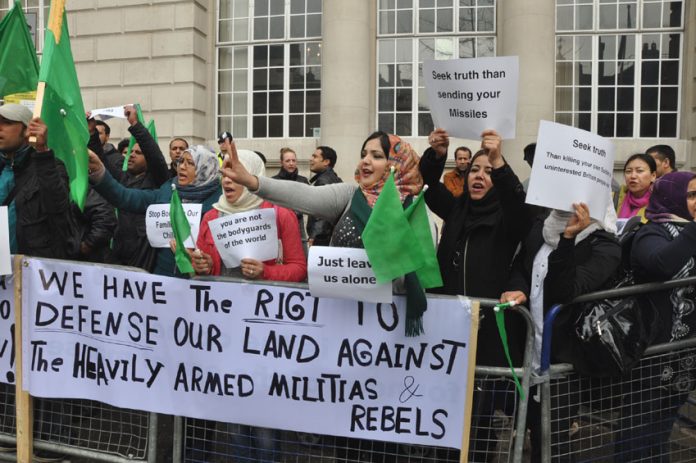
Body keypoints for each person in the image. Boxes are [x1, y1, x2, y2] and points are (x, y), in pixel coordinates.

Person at [420, 128, 532, 462]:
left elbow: (518, 205)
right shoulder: (457, 210)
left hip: (489, 336)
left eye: (487, 172)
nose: (478, 177)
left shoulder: (508, 219)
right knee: (449, 414)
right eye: (473, 171)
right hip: (451, 331)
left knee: (480, 418)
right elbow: (429, 182)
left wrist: (498, 160)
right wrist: (438, 154)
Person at [500, 201, 620, 461]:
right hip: (530, 352)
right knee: (535, 431)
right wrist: (518, 287)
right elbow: (520, 266)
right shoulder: (541, 229)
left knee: (553, 440)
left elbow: (566, 290)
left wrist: (568, 239)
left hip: (565, 361)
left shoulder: (605, 245)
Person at [616, 171, 696, 461]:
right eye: (690, 194)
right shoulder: (652, 232)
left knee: (661, 430)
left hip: (684, 355)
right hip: (653, 352)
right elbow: (661, 264)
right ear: (670, 196)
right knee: (638, 428)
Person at [88, 144, 221, 277]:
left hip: (196, 287)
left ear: (206, 169)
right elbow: (124, 197)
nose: (182, 167)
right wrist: (99, 172)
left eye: (190, 163)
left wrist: (206, 264)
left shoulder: (218, 206)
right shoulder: (167, 192)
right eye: (181, 161)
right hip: (160, 281)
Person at [192, 148, 307, 282]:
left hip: (263, 300)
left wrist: (265, 272)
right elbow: (203, 269)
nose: (226, 180)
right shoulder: (211, 217)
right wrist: (205, 267)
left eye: (234, 173)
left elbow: (299, 269)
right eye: (224, 174)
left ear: (253, 176)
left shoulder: (281, 214)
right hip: (221, 301)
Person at [91, 106, 170, 271]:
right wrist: (92, 134)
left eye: (138, 153)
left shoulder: (158, 180)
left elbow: (154, 155)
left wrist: (135, 125)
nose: (132, 155)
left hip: (143, 253)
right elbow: (100, 161)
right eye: (131, 152)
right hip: (118, 250)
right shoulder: (123, 178)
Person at [0, 104, 80, 259]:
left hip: (30, 270)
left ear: (27, 130)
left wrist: (42, 152)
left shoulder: (49, 165)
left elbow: (57, 207)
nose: (0, 128)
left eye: (7, 122)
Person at [272, 147, 310, 251]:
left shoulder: (303, 180)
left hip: (298, 221)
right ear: (281, 162)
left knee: (302, 250)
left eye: (293, 160)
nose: (291, 163)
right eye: (288, 161)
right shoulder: (273, 181)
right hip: (279, 222)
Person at [306, 146, 342, 247]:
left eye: (315, 156)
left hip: (321, 240)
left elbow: (322, 212)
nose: (311, 159)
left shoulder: (323, 181)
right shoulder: (334, 179)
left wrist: (315, 236)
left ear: (326, 161)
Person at [616, 153, 657, 221]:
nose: (633, 176)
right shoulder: (615, 197)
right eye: (628, 171)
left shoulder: (659, 204)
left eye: (639, 171)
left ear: (653, 176)